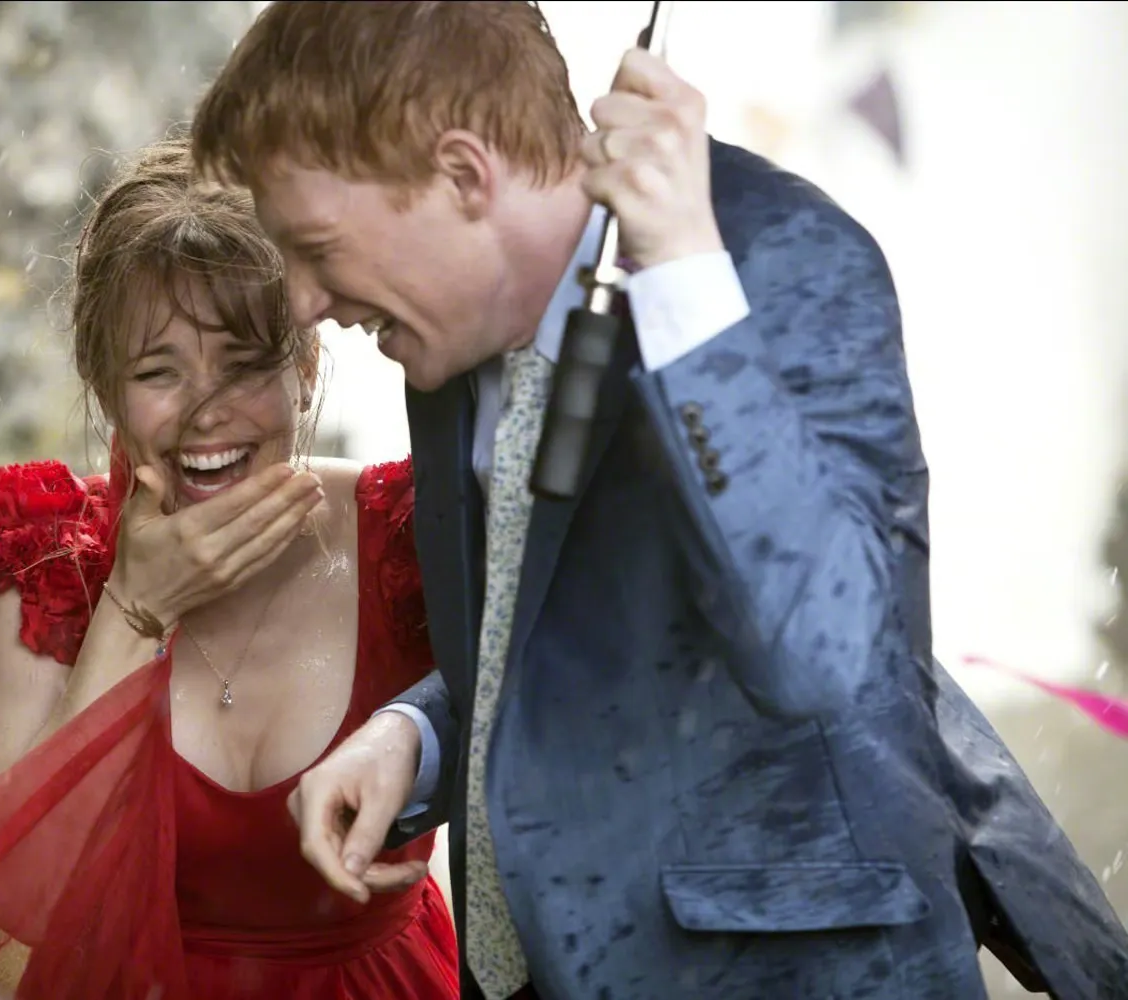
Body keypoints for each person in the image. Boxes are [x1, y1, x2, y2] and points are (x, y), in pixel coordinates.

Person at [188, 3, 1128, 999]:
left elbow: (830, 660)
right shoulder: (442, 342)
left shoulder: (783, 257)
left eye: (316, 245)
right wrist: (414, 736)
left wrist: (686, 285)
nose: (300, 303)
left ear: (463, 174)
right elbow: (582, 635)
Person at [0, 134, 459, 1000]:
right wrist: (135, 608)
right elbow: (28, 898)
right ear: (104, 387)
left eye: (243, 365)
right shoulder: (44, 561)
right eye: (159, 371)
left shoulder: (407, 538)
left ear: (307, 367)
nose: (207, 412)